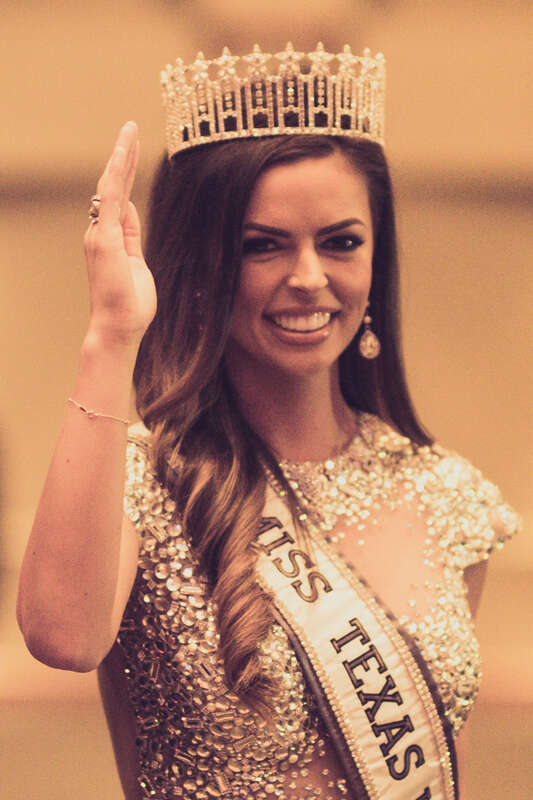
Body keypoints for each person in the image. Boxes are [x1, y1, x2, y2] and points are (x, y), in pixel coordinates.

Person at [17, 45, 520, 800]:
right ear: (204, 263)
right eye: (263, 246)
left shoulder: (447, 496)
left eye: (340, 242)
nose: (310, 278)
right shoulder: (141, 482)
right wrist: (111, 335)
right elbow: (62, 637)